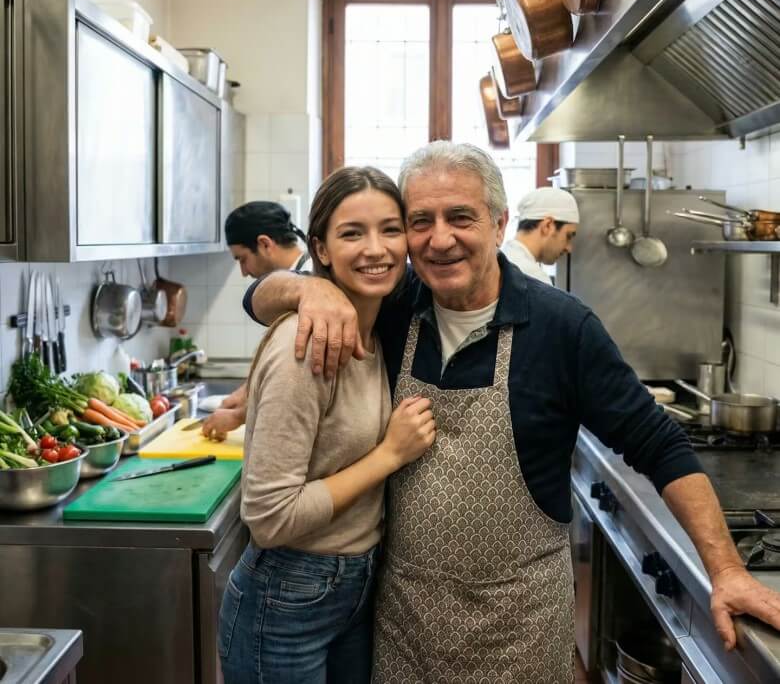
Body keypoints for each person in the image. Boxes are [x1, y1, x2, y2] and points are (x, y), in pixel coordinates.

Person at [242, 141, 780, 682]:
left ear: (499, 224)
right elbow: (257, 297)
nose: (440, 239)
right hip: (403, 625)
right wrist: (309, 290)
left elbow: (660, 445)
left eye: (461, 218)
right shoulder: (395, 304)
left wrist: (727, 570)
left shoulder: (561, 328)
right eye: (421, 221)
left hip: (519, 631)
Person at [218, 167, 436, 684]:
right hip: (287, 597)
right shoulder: (306, 346)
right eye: (352, 233)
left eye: (390, 229)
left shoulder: (375, 326)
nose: (376, 249)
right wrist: (390, 455)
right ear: (321, 249)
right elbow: (270, 517)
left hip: (355, 586)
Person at [201, 201, 312, 440]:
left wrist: (239, 415)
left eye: (242, 259)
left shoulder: (309, 282)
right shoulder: (293, 281)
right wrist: (247, 391)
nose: (244, 272)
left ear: (265, 244)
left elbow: (300, 375)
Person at [501, 186, 579, 284]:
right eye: (568, 236)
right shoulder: (533, 279)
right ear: (548, 226)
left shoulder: (504, 256)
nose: (569, 248)